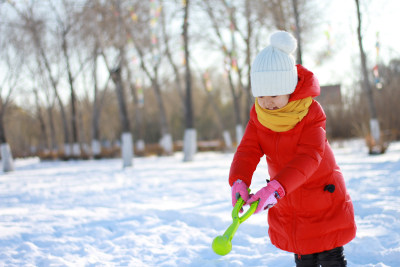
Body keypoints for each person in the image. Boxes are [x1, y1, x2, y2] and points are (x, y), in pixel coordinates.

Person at [229, 31, 356, 267]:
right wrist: (239, 180)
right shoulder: (260, 116)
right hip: (289, 197)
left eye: (274, 95)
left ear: (289, 87)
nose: (267, 102)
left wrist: (276, 189)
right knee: (303, 255)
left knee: (329, 254)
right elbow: (247, 150)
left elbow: (311, 156)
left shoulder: (310, 113)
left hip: (321, 195)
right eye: (261, 95)